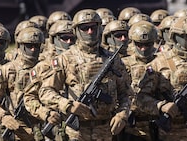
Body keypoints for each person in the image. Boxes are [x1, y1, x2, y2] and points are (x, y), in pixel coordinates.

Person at [36, 9, 131, 141]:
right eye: (84, 28)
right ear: (76, 31)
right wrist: (67, 104)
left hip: (106, 131)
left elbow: (126, 94)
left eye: (93, 27)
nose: (90, 32)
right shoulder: (65, 59)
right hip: (76, 132)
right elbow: (45, 92)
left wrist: (122, 114)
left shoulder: (113, 59)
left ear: (99, 28)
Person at [0, 27, 44, 141]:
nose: (33, 49)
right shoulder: (7, 69)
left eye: (36, 46)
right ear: (21, 45)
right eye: (29, 45)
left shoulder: (46, 68)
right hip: (15, 128)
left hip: (43, 126)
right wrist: (2, 115)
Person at [24, 19, 77, 141]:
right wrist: (45, 113)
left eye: (72, 38)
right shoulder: (43, 66)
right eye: (64, 38)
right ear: (54, 40)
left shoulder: (82, 63)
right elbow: (29, 98)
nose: (69, 42)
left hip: (81, 129)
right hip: (53, 127)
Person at [121, 20, 158, 141]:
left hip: (160, 125)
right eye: (139, 44)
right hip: (133, 128)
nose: (143, 48)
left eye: (148, 44)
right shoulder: (123, 64)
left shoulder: (162, 63)